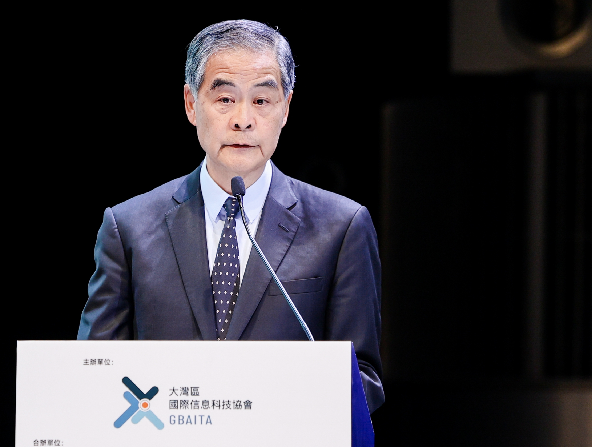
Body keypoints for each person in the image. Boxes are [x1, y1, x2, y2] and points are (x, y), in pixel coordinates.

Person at [77, 19, 384, 412]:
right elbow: (92, 370)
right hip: (165, 443)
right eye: (224, 99)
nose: (243, 119)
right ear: (191, 104)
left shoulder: (341, 228)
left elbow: (363, 378)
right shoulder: (129, 228)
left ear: (286, 108)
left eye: (262, 100)